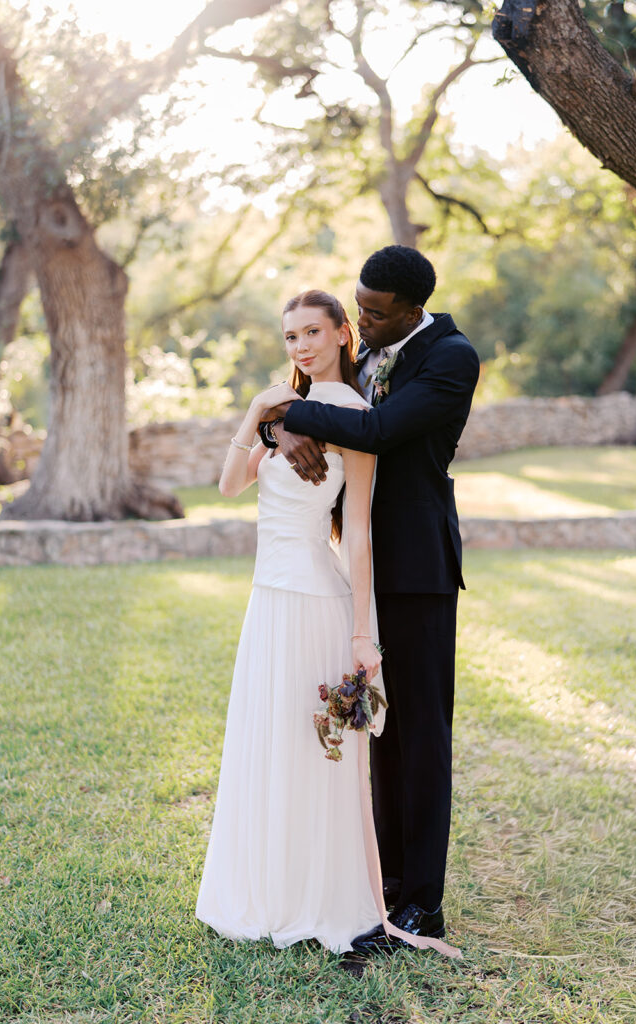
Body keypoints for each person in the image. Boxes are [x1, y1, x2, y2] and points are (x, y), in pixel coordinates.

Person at [266, 246, 480, 954]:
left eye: (375, 312)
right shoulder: (369, 355)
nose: (362, 320)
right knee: (370, 734)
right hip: (350, 570)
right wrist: (278, 425)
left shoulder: (450, 357)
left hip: (415, 568)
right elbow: (325, 403)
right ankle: (374, 881)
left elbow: (380, 431)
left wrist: (290, 414)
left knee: (416, 735)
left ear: (413, 310)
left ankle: (420, 902)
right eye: (358, 306)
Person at [195, 290, 385, 953]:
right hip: (265, 601)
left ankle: (315, 892)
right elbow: (227, 487)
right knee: (265, 742)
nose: (301, 345)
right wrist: (256, 412)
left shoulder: (360, 416)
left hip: (315, 601)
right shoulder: (278, 412)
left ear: (341, 333)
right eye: (289, 336)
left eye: (312, 331)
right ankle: (265, 888)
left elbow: (356, 531)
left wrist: (363, 633)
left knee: (314, 752)